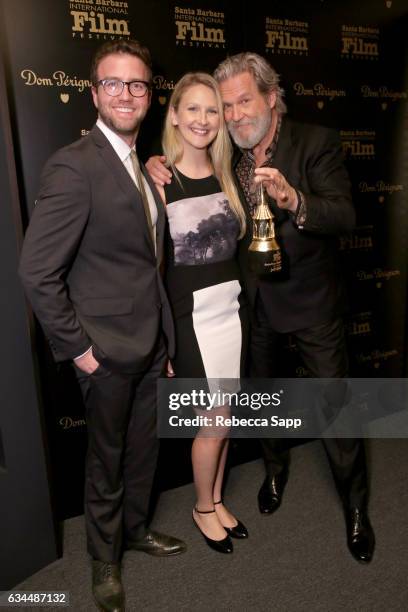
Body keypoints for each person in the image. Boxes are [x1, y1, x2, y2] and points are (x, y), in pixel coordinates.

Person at [147, 52, 375, 563]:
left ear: (272, 97)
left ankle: (357, 508)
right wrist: (152, 162)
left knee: (335, 409)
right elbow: (184, 173)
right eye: (225, 106)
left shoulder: (315, 142)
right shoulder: (229, 157)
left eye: (243, 100)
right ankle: (273, 473)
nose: (233, 115)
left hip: (313, 304)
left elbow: (344, 215)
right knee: (263, 404)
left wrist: (294, 199)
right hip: (250, 309)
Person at [19, 39, 186, 612]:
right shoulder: (76, 164)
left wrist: (163, 339)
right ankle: (103, 560)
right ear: (93, 94)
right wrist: (82, 352)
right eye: (112, 84)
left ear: (149, 96)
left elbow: (145, 266)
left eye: (136, 84)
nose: (125, 94)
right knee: (106, 460)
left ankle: (135, 531)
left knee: (143, 452)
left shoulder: (138, 167)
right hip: (105, 353)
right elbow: (37, 272)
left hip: (148, 345)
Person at [159, 72, 249, 554]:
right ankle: (200, 507)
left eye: (212, 110)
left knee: (227, 417)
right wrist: (165, 342)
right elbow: (151, 270)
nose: (203, 119)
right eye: (192, 109)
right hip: (190, 319)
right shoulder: (157, 179)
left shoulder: (225, 176)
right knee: (211, 422)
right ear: (174, 115)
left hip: (231, 311)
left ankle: (216, 500)